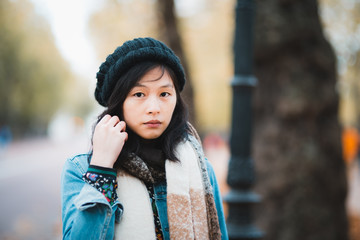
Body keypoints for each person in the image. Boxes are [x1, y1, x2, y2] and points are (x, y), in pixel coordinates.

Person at [61, 37, 228, 240]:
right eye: (139, 94)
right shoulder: (81, 169)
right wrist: (101, 168)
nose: (154, 109)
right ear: (118, 101)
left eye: (165, 94)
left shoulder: (199, 169)